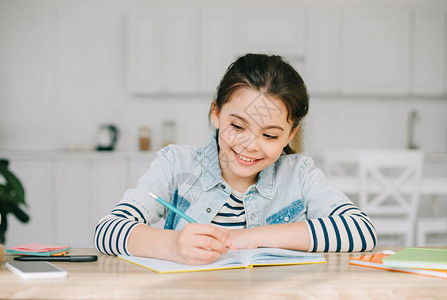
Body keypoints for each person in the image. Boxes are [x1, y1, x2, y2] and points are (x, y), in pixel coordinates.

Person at [94, 54, 376, 265]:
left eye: (270, 135)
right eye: (238, 127)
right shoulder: (176, 164)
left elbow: (362, 232)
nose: (250, 146)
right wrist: (173, 245)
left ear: (291, 134)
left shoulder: (299, 174)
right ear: (216, 113)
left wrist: (247, 239)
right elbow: (108, 230)